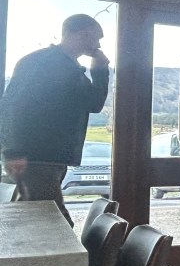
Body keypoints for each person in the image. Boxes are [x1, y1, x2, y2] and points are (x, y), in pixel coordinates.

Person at [0, 14, 110, 225]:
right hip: (36, 159)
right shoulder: (45, 63)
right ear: (83, 34)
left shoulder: (67, 66)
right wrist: (12, 152)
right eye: (97, 38)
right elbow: (12, 107)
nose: (98, 45)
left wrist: (99, 68)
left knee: (33, 222)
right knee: (55, 223)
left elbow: (94, 104)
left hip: (45, 159)